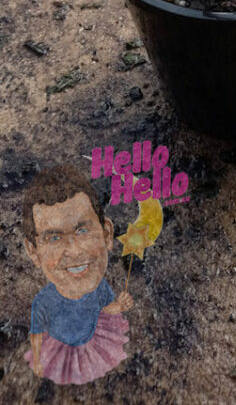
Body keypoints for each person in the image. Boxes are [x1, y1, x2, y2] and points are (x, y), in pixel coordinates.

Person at [23, 165, 133, 385]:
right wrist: (37, 360)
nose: (73, 251)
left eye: (83, 230)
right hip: (59, 348)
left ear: (107, 234)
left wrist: (118, 307)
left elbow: (104, 311)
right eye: (53, 238)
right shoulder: (43, 301)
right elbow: (36, 335)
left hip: (91, 342)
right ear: (33, 251)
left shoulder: (101, 288)